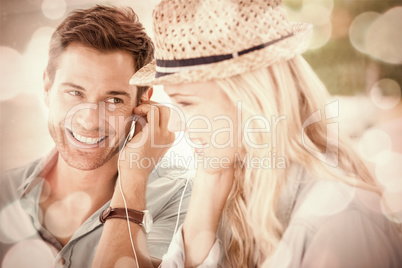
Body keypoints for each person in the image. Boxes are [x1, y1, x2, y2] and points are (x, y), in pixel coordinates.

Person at [94, 0, 402, 267]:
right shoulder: (238, 193)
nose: (176, 125)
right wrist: (208, 187)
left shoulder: (342, 221)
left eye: (186, 103)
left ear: (252, 96)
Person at [0, 5, 194, 267]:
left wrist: (133, 180)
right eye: (75, 93)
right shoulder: (5, 191)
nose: (89, 121)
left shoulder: (179, 199)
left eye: (113, 99)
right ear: (47, 87)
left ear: (143, 102)